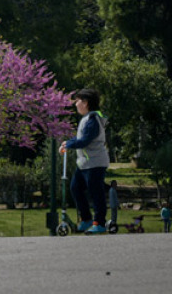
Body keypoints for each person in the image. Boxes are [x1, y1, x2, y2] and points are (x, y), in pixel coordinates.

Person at [59, 88, 109, 234]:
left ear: (86, 102)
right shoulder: (87, 119)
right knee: (75, 188)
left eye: (78, 101)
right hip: (85, 164)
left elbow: (85, 141)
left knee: (96, 193)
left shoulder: (93, 119)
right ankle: (86, 219)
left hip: (95, 163)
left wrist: (69, 144)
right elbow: (80, 139)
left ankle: (99, 223)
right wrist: (67, 143)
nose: (76, 104)